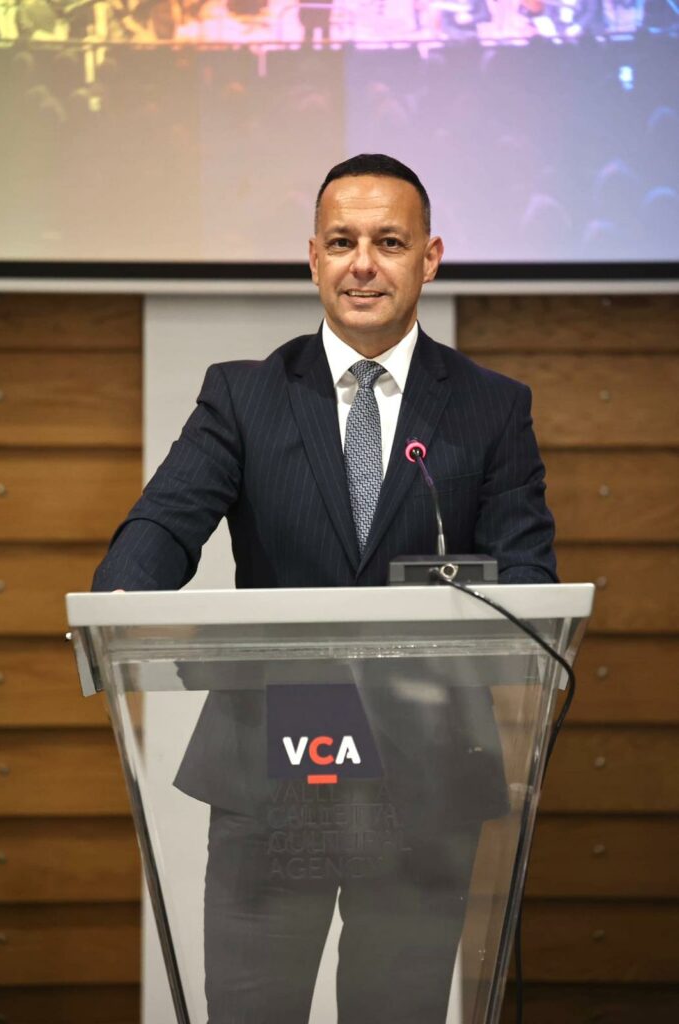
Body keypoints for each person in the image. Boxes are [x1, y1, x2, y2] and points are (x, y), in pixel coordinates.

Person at [93, 153, 557, 1023]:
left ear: (430, 258)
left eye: (390, 242)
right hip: (274, 769)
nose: (362, 265)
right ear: (313, 258)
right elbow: (166, 522)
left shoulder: (492, 407)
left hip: (426, 774)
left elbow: (528, 577)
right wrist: (121, 600)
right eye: (342, 242)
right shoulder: (244, 395)